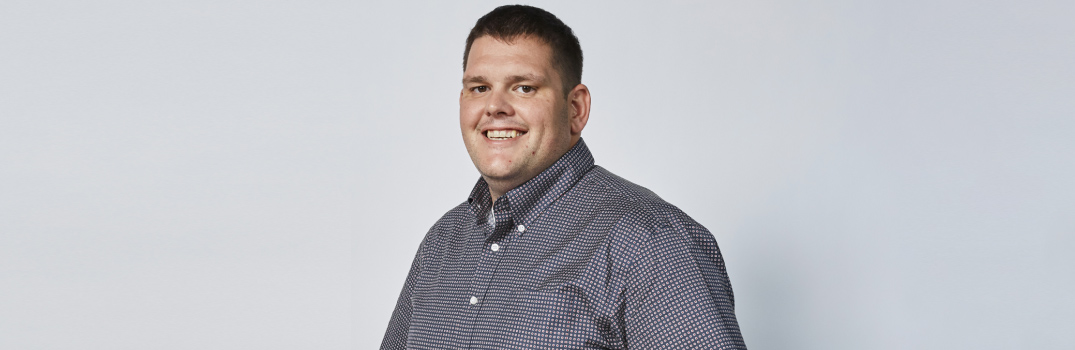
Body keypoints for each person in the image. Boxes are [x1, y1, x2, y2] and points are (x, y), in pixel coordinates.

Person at [380, 5, 746, 350]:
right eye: (479, 88)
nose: (495, 107)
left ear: (575, 109)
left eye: (524, 87)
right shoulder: (442, 243)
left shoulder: (649, 242)